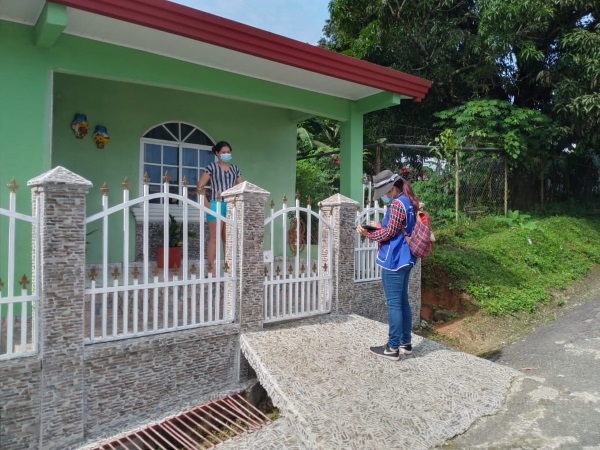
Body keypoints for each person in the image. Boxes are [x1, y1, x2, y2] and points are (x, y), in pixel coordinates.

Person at [356, 170, 421, 361]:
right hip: (407, 257)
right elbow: (397, 228)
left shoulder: (397, 204)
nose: (385, 196)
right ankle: (405, 343)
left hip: (394, 259)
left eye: (385, 192)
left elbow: (389, 233)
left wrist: (368, 233)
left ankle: (392, 348)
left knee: (394, 303)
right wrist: (379, 226)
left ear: (391, 188)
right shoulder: (408, 201)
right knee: (402, 301)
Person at [197, 141, 242, 274]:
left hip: (230, 206)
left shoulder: (235, 169)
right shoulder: (211, 167)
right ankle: (211, 271)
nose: (226, 154)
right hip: (216, 204)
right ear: (217, 153)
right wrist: (206, 203)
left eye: (228, 152)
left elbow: (241, 187)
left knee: (228, 239)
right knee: (214, 238)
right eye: (223, 152)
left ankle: (229, 270)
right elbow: (200, 186)